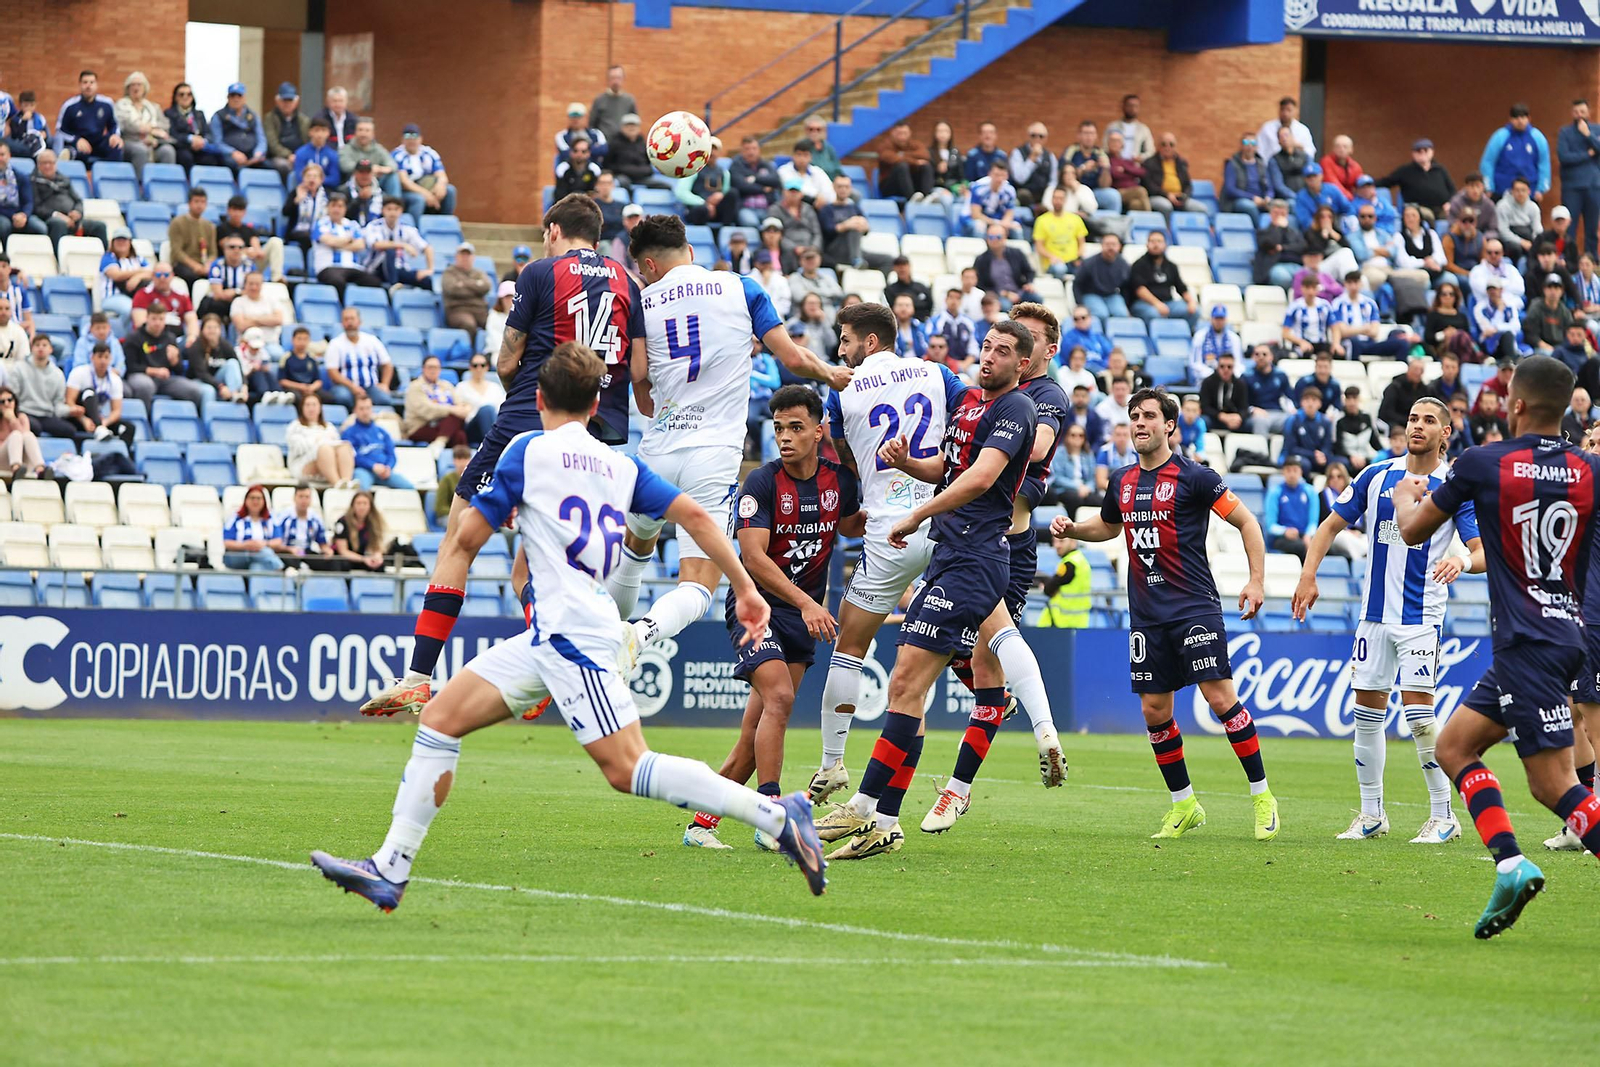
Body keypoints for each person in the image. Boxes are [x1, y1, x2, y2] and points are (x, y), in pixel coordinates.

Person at [315, 340, 831, 906]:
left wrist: (425, 654)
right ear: (594, 406)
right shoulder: (621, 464)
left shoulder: (526, 451)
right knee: (439, 720)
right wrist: (743, 586)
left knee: (628, 768)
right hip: (552, 634)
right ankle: (390, 868)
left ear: (538, 397)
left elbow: (463, 543)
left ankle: (780, 817)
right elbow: (696, 516)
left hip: (576, 637)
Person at [362, 195, 647, 717]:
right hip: (600, 431)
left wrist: (522, 388)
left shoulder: (540, 272)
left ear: (554, 230)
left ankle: (418, 677)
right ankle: (545, 664)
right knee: (530, 566)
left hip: (529, 418)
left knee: (457, 540)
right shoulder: (629, 282)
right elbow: (642, 371)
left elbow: (508, 358)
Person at [813, 321, 1040, 859]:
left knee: (892, 672)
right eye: (985, 347)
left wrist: (912, 510)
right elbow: (951, 462)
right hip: (943, 547)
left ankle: (857, 792)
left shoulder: (1014, 409)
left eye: (1001, 351)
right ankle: (885, 819)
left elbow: (979, 476)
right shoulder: (949, 384)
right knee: (908, 687)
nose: (987, 356)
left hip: (956, 549)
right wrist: (912, 466)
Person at [1392, 355, 1600, 936]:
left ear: (1515, 404)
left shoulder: (1484, 463)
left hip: (1526, 640)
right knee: (1455, 747)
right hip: (1565, 633)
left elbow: (1413, 531)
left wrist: (1409, 494)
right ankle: (1509, 864)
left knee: (1552, 785)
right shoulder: (1589, 469)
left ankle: (1513, 862)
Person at [1054, 386, 1277, 837]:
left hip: (1193, 606)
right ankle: (1184, 805)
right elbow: (1109, 525)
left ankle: (1262, 797)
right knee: (1155, 711)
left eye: (1149, 416)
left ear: (1169, 425)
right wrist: (1076, 527)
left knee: (1220, 700)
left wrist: (1256, 580)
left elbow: (1247, 521)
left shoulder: (1196, 477)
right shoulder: (1121, 480)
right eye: (1134, 415)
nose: (1139, 423)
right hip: (1147, 614)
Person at [682, 385, 864, 849]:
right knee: (780, 698)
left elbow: (848, 524)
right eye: (779, 428)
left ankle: (701, 825)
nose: (784, 437)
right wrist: (806, 603)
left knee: (754, 735)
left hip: (802, 620)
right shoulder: (761, 483)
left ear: (819, 431)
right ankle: (771, 816)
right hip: (757, 608)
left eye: (796, 427)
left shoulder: (837, 481)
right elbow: (753, 557)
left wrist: (899, 515)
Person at [1294, 397, 1481, 839]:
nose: (1417, 426)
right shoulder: (1376, 475)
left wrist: (1462, 562)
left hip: (1420, 616)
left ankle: (1444, 816)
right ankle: (1372, 813)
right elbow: (1328, 527)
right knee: (1366, 716)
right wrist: (1308, 575)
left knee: (1418, 717)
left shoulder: (1454, 486)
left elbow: (1481, 552)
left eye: (1429, 420)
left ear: (1445, 433)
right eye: (1413, 418)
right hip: (1373, 616)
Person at [921, 303, 1073, 829]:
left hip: (995, 540)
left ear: (1044, 351)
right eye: (1001, 342)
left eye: (1023, 342)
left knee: (966, 653)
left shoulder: (1041, 397)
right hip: (964, 532)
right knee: (984, 668)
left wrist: (999, 432)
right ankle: (964, 786)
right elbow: (954, 460)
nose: (1009, 351)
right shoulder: (982, 397)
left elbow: (1035, 450)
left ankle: (1028, 735)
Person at [122, 299, 207, 409]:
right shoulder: (134, 337)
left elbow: (180, 369)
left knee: (194, 390)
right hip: (141, 375)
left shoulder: (170, 338)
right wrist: (154, 371)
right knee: (145, 386)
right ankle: (144, 419)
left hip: (164, 379)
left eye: (161, 319)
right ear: (147, 318)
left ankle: (186, 422)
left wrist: (175, 361)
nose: (157, 323)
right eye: (154, 319)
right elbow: (130, 366)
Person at [15, 333, 90, 439]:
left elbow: (58, 405)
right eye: (37, 345)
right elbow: (13, 396)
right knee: (34, 428)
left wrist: (70, 410)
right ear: (31, 349)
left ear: (50, 349)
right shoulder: (19, 368)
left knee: (69, 430)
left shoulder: (57, 374)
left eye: (44, 345)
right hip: (25, 412)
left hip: (46, 415)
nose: (41, 348)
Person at [1329, 270, 1416, 360]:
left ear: (1360, 284)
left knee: (1401, 344)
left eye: (1356, 282)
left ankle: (1401, 371)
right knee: (1353, 343)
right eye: (1350, 283)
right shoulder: (1338, 303)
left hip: (1369, 342)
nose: (1353, 286)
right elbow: (1342, 331)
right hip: (1351, 342)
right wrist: (1363, 329)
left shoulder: (1370, 303)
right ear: (1345, 284)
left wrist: (1352, 330)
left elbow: (1374, 332)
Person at [29, 149, 105, 252]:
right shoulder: (32, 181)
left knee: (99, 227)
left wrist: (77, 212)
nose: (47, 166)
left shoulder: (64, 179)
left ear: (55, 164)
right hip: (50, 218)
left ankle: (103, 261)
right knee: (59, 224)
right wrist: (57, 215)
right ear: (38, 165)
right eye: (44, 163)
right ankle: (60, 261)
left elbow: (78, 201)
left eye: (50, 163)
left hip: (72, 219)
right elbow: (36, 207)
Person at [403, 355, 488, 447]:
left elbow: (460, 403)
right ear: (423, 369)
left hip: (444, 426)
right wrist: (451, 409)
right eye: (430, 367)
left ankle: (443, 445)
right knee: (454, 416)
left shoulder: (446, 385)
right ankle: (440, 442)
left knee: (460, 435)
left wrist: (465, 408)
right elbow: (427, 410)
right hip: (421, 427)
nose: (433, 370)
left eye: (436, 367)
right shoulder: (415, 387)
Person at [64, 341, 133, 447]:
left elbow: (116, 410)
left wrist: (105, 422)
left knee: (128, 428)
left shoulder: (115, 379)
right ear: (92, 357)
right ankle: (100, 429)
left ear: (110, 360)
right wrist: (84, 420)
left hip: (99, 420)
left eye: (106, 357)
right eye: (99, 357)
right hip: (78, 416)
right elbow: (69, 401)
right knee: (89, 392)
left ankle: (121, 456)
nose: (103, 361)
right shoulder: (79, 372)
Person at [324, 306, 394, 408]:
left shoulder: (372, 340)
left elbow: (387, 364)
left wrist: (385, 384)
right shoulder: (335, 344)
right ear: (342, 323)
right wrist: (352, 387)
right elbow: (332, 372)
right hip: (345, 387)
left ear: (360, 321)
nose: (350, 323)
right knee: (343, 397)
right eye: (346, 319)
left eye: (352, 319)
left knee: (385, 399)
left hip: (370, 386)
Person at [311, 191, 378, 294]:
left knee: (374, 282)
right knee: (337, 282)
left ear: (345, 209)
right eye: (333, 206)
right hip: (329, 266)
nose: (337, 209)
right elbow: (329, 241)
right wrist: (349, 241)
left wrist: (336, 244)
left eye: (340, 206)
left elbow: (360, 245)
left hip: (352, 267)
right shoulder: (320, 223)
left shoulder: (352, 225)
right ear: (328, 208)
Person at [342, 394, 413, 490]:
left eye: (368, 408)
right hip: (363, 470)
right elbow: (352, 457)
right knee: (362, 489)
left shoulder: (382, 432)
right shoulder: (348, 433)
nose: (365, 412)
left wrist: (388, 467)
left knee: (409, 488)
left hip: (384, 472)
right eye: (361, 409)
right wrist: (372, 466)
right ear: (355, 410)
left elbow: (391, 454)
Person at [362, 196, 433, 290]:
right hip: (375, 269)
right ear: (383, 211)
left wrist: (429, 269)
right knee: (390, 251)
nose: (392, 213)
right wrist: (403, 245)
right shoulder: (373, 226)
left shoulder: (407, 229)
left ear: (401, 211)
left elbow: (427, 248)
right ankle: (393, 286)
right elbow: (376, 244)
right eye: (389, 209)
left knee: (425, 280)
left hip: (399, 269)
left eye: (396, 209)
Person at [1129, 230, 1197, 329]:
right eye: (1152, 241)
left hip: (1168, 303)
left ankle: (1180, 336)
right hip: (1144, 304)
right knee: (1154, 314)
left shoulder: (1171, 266)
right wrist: (1157, 304)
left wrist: (1191, 302)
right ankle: (1158, 340)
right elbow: (1140, 290)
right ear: (1147, 244)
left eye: (1159, 241)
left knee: (1195, 311)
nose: (1155, 245)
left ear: (1165, 245)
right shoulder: (1139, 264)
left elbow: (1181, 288)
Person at [113, 71, 174, 179]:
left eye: (139, 84)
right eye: (133, 85)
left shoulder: (154, 107)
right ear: (128, 88)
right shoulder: (121, 105)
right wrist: (151, 129)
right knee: (140, 150)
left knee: (167, 151)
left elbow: (165, 125)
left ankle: (166, 187)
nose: (136, 88)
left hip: (153, 142)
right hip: (129, 141)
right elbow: (128, 125)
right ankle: (140, 187)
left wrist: (151, 134)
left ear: (145, 88)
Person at [288, 391, 356, 488]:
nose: (311, 408)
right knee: (325, 449)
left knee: (344, 447)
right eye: (307, 405)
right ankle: (337, 484)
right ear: (302, 408)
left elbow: (337, 444)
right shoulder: (295, 426)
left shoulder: (329, 427)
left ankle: (347, 482)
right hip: (303, 464)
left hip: (330, 463)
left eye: (314, 405)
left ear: (320, 408)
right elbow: (298, 448)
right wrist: (317, 441)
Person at [1558, 99, 1600, 257]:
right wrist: (1588, 154)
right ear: (1572, 113)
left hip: (1594, 186)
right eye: (1576, 112)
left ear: (1588, 113)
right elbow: (1564, 157)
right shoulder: (1565, 132)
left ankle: (1592, 258)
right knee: (1570, 226)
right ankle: (1570, 258)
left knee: (1592, 226)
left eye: (1582, 112)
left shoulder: (1596, 130)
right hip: (1572, 187)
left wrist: (1588, 135)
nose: (1579, 115)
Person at [1378, 139, 1455, 221]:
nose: (1422, 153)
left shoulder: (1440, 170)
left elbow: (1452, 190)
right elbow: (1386, 182)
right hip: (1417, 209)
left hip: (1441, 209)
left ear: (1432, 152)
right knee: (1428, 216)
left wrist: (1449, 203)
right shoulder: (1405, 171)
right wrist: (1367, 183)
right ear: (1413, 154)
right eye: (1418, 151)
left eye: (1425, 150)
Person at [57, 71, 122, 164]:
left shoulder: (107, 103)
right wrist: (76, 140)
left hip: (99, 142)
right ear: (80, 85)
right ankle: (70, 157)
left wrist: (115, 135)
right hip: (79, 143)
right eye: (85, 82)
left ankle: (113, 177)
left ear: (97, 85)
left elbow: (114, 125)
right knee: (75, 152)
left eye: (92, 82)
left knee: (116, 147)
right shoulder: (69, 106)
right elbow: (60, 130)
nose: (88, 86)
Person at [392, 124, 455, 219]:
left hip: (427, 186)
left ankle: (445, 224)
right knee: (418, 199)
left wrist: (440, 186)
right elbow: (405, 182)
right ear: (402, 140)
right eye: (408, 137)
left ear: (420, 139)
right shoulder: (397, 155)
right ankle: (415, 229)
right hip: (407, 191)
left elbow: (442, 175)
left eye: (415, 137)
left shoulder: (429, 153)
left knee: (450, 190)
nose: (412, 141)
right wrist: (426, 194)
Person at [271, 484, 337, 568]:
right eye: (301, 497)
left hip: (306, 552)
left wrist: (328, 551)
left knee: (333, 563)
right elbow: (276, 542)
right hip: (286, 551)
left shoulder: (316, 519)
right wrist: (289, 549)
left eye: (307, 497)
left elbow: (322, 544)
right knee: (289, 562)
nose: (304, 500)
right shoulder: (283, 517)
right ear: (294, 498)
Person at [183, 313, 242, 403]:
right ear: (202, 329)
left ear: (220, 330)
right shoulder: (195, 347)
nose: (212, 331)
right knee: (209, 390)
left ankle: (234, 396)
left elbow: (239, 366)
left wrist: (245, 386)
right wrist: (220, 386)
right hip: (198, 380)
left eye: (215, 327)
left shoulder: (224, 345)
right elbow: (201, 374)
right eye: (209, 328)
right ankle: (208, 416)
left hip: (217, 378)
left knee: (232, 363)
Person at [207, 83, 266, 172]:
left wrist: (258, 153)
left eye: (239, 96)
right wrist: (232, 152)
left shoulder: (253, 116)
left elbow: (261, 139)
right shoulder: (219, 116)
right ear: (228, 97)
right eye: (233, 96)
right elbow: (217, 142)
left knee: (270, 167)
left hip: (252, 155)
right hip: (230, 157)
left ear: (244, 98)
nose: (236, 99)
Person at [223, 485, 284, 572]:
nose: (255, 501)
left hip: (262, 555)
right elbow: (227, 542)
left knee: (256, 567)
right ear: (246, 500)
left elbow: (278, 541)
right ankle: (279, 566)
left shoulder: (271, 518)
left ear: (264, 501)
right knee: (261, 552)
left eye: (259, 498)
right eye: (252, 498)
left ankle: (255, 584)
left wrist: (263, 544)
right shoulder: (235, 518)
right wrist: (245, 545)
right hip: (237, 556)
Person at [1141, 133, 1203, 218]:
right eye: (1164, 144)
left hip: (1179, 197)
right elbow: (1149, 186)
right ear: (1158, 146)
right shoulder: (1149, 163)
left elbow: (1188, 185)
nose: (1167, 147)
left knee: (1200, 209)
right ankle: (1167, 230)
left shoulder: (1181, 163)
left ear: (1175, 147)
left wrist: (1184, 196)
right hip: (1158, 196)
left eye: (1171, 144)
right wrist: (1167, 195)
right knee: (1166, 206)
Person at [1032, 185, 1088, 278]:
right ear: (1051, 199)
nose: (1058, 201)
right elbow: (1039, 246)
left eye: (1061, 198)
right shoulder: (1042, 220)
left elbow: (1081, 243)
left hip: (1072, 261)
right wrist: (1051, 257)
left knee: (1087, 269)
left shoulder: (1075, 219)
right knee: (1060, 269)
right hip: (1053, 262)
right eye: (1055, 198)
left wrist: (1079, 257)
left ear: (1065, 200)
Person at [1279, 388, 1337, 473]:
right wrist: (1313, 455)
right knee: (1305, 465)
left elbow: (1327, 445)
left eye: (1314, 400)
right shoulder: (1293, 420)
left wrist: (1322, 455)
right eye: (1306, 400)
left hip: (1317, 457)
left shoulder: (1326, 422)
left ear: (1320, 403)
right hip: (1296, 456)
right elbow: (1291, 447)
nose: (1310, 403)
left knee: (1339, 464)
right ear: (1301, 402)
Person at [1074, 233, 1130, 321]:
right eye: (1107, 244)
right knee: (1101, 314)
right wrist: (1080, 305)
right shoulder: (1089, 263)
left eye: (1114, 244)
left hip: (1112, 295)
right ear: (1102, 245)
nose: (1110, 247)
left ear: (1119, 246)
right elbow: (1077, 284)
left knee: (1121, 314)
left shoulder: (1123, 265)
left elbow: (1126, 286)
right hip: (1091, 294)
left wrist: (1126, 304)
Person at [332, 489, 391, 572]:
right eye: (358, 503)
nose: (362, 507)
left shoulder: (374, 523)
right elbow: (343, 551)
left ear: (370, 506)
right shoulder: (342, 522)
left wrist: (377, 557)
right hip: (346, 558)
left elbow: (377, 546)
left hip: (363, 557)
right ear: (353, 505)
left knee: (380, 566)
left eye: (365, 503)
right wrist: (363, 559)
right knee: (344, 565)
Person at [339, 118, 400, 198]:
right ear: (355, 132)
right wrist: (367, 169)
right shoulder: (347, 149)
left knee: (392, 176)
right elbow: (345, 166)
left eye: (367, 131)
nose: (363, 134)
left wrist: (380, 169)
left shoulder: (379, 149)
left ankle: (394, 205)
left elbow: (393, 165)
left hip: (376, 182)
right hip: (354, 183)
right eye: (360, 130)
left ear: (372, 134)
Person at [199, 234, 250, 324]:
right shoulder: (217, 265)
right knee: (212, 304)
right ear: (225, 249)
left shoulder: (249, 266)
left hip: (242, 302)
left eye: (240, 247)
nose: (236, 250)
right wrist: (241, 293)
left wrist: (236, 292)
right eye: (232, 247)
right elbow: (218, 294)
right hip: (221, 304)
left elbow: (252, 291)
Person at [1222, 133, 1273, 224]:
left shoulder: (1261, 165)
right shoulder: (1233, 164)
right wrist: (1252, 198)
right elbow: (1230, 189)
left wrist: (1268, 197)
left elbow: (1269, 187)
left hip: (1262, 200)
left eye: (1253, 143)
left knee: (1280, 206)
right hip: (1239, 200)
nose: (1250, 146)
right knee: (1250, 207)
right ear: (1241, 145)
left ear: (1257, 147)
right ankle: (1259, 232)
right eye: (1246, 142)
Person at [440, 243, 491, 332]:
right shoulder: (449, 272)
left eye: (468, 255)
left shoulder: (479, 272)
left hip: (480, 310)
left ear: (473, 257)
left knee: (495, 323)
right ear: (456, 257)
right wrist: (476, 286)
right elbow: (453, 290)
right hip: (458, 310)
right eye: (462, 255)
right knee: (468, 325)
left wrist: (464, 283)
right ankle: (469, 346)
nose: (465, 258)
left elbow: (486, 287)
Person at [0, 142, 44, 244]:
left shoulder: (20, 176)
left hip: (20, 215)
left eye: (2, 155)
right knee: (4, 226)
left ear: (9, 156)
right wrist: (12, 216)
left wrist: (24, 215)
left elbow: (28, 201)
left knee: (40, 228)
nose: (0, 159)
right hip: (3, 214)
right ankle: (4, 257)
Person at [877, 122, 933, 201]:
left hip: (912, 184)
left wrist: (902, 155)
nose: (902, 137)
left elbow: (925, 155)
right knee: (902, 166)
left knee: (926, 166)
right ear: (893, 133)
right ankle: (911, 199)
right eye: (899, 133)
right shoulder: (885, 146)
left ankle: (927, 197)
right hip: (891, 187)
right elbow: (890, 158)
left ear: (910, 133)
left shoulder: (914, 144)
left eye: (905, 133)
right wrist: (915, 162)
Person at [1474, 280, 1526, 363]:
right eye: (1490, 290)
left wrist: (1497, 328)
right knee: (1507, 335)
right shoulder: (1480, 308)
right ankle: (1515, 361)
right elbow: (1487, 330)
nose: (1492, 292)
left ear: (1501, 290)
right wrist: (1499, 311)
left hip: (1508, 343)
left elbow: (1516, 326)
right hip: (1489, 344)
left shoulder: (1509, 306)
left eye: (1495, 289)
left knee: (1508, 335)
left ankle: (1514, 361)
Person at [968, 159, 1022, 238]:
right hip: (977, 219)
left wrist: (1004, 223)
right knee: (979, 227)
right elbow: (976, 215)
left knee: (1017, 228)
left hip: (998, 220)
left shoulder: (1010, 190)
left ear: (1007, 176)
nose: (999, 179)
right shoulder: (979, 188)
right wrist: (996, 223)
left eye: (1002, 175)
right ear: (990, 174)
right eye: (996, 175)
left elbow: (1009, 214)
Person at [283, 160, 329, 253]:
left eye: (315, 177)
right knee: (308, 238)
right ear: (303, 178)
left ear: (321, 179)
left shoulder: (328, 195)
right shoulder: (295, 192)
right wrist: (297, 200)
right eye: (308, 176)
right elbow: (285, 212)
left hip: (323, 231)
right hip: (299, 231)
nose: (311, 180)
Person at [263, 82, 308, 176]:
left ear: (296, 102)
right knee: (284, 166)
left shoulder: (304, 120)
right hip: (278, 157)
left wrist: (300, 156)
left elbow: (308, 142)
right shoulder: (270, 118)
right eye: (284, 100)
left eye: (290, 100)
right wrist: (288, 155)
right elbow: (272, 144)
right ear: (277, 101)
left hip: (300, 156)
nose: (287, 104)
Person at [1198, 351, 1247, 436]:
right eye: (1222, 366)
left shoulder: (1240, 384)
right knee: (1203, 421)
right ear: (1217, 367)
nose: (1226, 370)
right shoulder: (1207, 382)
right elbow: (1205, 406)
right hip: (1214, 418)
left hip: (1235, 419)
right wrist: (1221, 416)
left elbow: (1244, 407)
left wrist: (1239, 417)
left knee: (1251, 422)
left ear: (1233, 368)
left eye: (1229, 367)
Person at [1009, 121, 1057, 208]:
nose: (1037, 139)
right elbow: (1020, 178)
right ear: (1028, 136)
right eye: (1033, 135)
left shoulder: (1050, 156)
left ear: (1045, 139)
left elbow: (1053, 182)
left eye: (1041, 136)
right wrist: (1032, 158)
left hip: (1043, 198)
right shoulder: (1018, 153)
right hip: (1023, 198)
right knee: (1024, 195)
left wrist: (1047, 197)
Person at [0, 385, 44, 478]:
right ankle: (16, 468)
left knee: (28, 435)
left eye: (10, 400)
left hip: (23, 462)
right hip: (2, 461)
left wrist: (13, 420)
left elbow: (24, 438)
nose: (7, 404)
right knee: (15, 435)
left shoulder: (22, 417)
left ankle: (40, 470)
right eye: (2, 402)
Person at [1378, 358, 1433, 432]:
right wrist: (1408, 420)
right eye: (1415, 369)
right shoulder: (1394, 387)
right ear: (1409, 369)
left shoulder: (1425, 390)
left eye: (1421, 370)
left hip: (1418, 423)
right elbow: (1386, 413)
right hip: (1396, 424)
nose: (1418, 372)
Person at [1281, 276, 1331, 357]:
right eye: (1308, 288)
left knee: (1335, 353)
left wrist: (1336, 343)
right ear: (1302, 289)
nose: (1310, 292)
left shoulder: (1325, 306)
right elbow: (1285, 333)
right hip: (1301, 343)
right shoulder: (1294, 307)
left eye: (1313, 288)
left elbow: (1335, 326)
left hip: (1321, 343)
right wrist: (1301, 342)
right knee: (1305, 353)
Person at [164, 82, 210, 168]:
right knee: (186, 157)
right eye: (181, 94)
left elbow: (207, 133)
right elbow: (172, 134)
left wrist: (202, 141)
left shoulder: (199, 114)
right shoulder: (169, 114)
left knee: (211, 159)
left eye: (189, 94)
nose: (185, 97)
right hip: (182, 147)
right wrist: (190, 139)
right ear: (176, 97)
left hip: (200, 147)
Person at [1524, 274, 1575, 351]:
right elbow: (1530, 334)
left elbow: (1569, 334)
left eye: (1556, 288)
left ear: (1562, 291)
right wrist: (1545, 346)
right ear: (1544, 290)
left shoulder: (1565, 311)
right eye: (1549, 287)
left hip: (1560, 348)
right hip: (1540, 347)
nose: (1553, 291)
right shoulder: (1535, 307)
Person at [1106, 130, 1150, 212]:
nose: (1115, 143)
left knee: (1135, 204)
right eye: (1112, 140)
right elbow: (1115, 174)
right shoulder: (1106, 159)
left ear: (1122, 144)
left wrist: (1125, 169)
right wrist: (1131, 173)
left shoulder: (1127, 161)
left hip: (1132, 192)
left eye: (1118, 141)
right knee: (1141, 191)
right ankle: (1152, 220)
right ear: (1108, 143)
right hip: (1117, 192)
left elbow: (1142, 172)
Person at [590, 65, 636, 143]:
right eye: (613, 78)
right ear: (608, 80)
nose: (615, 81)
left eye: (618, 78)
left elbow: (634, 123)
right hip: (604, 144)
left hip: (623, 145)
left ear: (623, 79)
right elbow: (592, 124)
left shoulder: (629, 100)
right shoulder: (599, 100)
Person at [277, 326, 323, 403]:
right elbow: (282, 381)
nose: (302, 342)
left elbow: (318, 380)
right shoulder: (286, 358)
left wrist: (311, 388)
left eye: (305, 339)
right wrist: (300, 387)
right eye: (299, 339)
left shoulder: (312, 358)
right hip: (294, 389)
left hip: (310, 388)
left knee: (329, 398)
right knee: (296, 398)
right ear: (293, 340)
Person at [455, 350, 506, 416]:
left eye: (482, 365)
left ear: (487, 367)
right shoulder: (461, 387)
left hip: (494, 421)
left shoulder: (495, 388)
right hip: (472, 422)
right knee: (487, 410)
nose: (479, 369)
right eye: (475, 365)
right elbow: (459, 408)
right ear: (470, 367)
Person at [1105, 94, 1154, 160]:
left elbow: (1150, 151)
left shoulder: (1144, 129)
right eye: (1129, 105)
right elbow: (1104, 148)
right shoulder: (1112, 127)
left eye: (1135, 106)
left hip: (1135, 166)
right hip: (1115, 166)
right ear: (1124, 106)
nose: (1132, 108)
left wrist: (1140, 157)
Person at [434, 446, 471, 520]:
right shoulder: (447, 479)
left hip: (470, 516)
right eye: (459, 459)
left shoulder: (475, 479)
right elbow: (440, 507)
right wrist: (459, 514)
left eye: (465, 459)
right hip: (449, 516)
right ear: (454, 461)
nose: (462, 463)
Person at [1176, 394, 1207, 458]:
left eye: (1194, 411)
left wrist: (1199, 455)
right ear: (1182, 409)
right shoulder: (1175, 421)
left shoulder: (1200, 424)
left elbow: (1200, 445)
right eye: (1187, 410)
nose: (1190, 414)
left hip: (1186, 453)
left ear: (1199, 412)